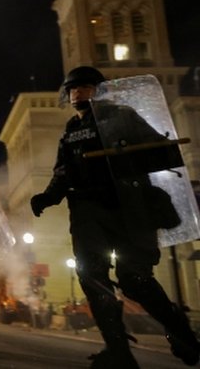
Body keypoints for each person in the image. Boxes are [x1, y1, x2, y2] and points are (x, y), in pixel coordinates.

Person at [30, 66, 200, 368]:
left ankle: (183, 335)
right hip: (87, 214)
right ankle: (117, 349)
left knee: (135, 280)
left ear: (99, 90)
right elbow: (64, 171)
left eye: (85, 87)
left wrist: (126, 152)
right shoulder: (70, 130)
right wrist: (48, 196)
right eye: (73, 89)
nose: (77, 93)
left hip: (128, 210)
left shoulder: (121, 117)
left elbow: (160, 151)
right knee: (92, 277)